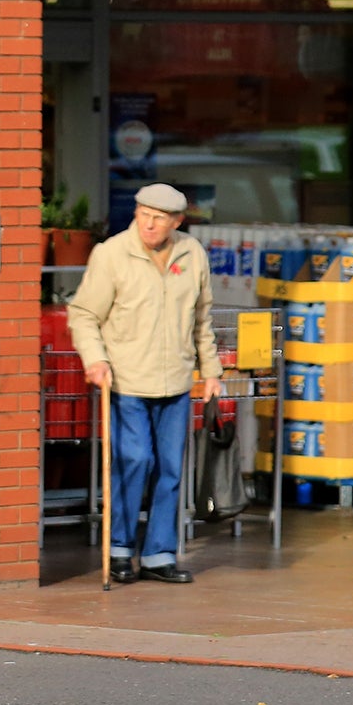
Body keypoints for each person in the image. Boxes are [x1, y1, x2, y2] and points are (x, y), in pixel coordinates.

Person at [68, 183, 223, 584]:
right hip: (127, 379)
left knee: (170, 469)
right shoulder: (112, 254)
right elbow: (84, 313)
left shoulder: (193, 254)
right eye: (142, 214)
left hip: (175, 379)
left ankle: (158, 554)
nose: (149, 224)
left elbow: (202, 318)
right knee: (135, 461)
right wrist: (95, 359)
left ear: (176, 221)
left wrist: (211, 371)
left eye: (158, 217)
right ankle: (119, 548)